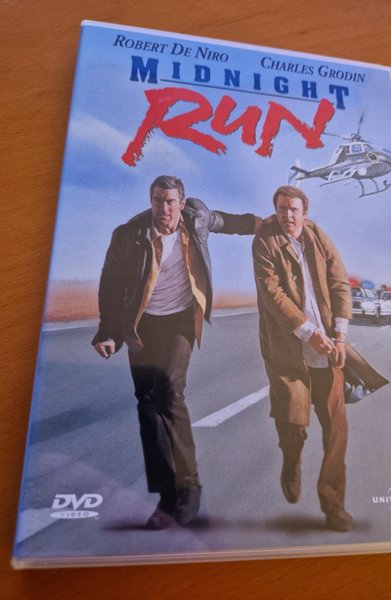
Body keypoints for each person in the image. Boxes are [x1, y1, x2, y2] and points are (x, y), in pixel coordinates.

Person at [92, 175, 259, 530]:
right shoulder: (129, 235)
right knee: (147, 403)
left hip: (180, 320)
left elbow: (229, 222)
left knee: (169, 391)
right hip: (142, 323)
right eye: (157, 201)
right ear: (150, 201)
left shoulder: (197, 218)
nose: (164, 209)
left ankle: (188, 485)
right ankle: (167, 496)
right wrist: (108, 333)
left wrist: (266, 225)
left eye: (170, 202)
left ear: (182, 203)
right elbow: (111, 287)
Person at [252, 185, 386, 532]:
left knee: (336, 429)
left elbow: (340, 282)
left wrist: (339, 334)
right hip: (288, 349)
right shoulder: (265, 240)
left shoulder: (318, 237)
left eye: (293, 209)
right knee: (293, 425)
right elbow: (272, 293)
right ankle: (291, 461)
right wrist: (308, 331)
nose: (287, 215)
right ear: (275, 210)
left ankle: (334, 505)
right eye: (282, 209)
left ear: (305, 212)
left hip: (329, 349)